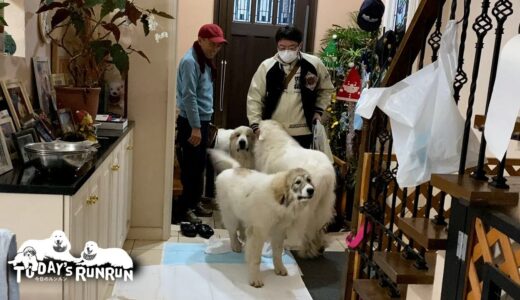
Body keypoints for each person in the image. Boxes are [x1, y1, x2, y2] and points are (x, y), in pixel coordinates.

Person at [247, 26, 335, 148]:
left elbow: (326, 89)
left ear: (300, 45)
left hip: (304, 131)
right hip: (273, 131)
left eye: (292, 47)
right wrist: (255, 124)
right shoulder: (266, 66)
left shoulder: (314, 64)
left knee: (300, 166)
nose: (286, 51)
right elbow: (254, 98)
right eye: (282, 48)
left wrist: (318, 111)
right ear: (277, 45)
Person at [174, 24, 227, 223]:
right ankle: (184, 209)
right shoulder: (190, 61)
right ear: (201, 39)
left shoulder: (203, 60)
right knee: (190, 167)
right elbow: (189, 97)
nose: (215, 49)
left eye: (219, 46)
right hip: (191, 124)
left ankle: (194, 202)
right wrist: (196, 127)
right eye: (212, 44)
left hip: (201, 122)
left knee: (198, 166)